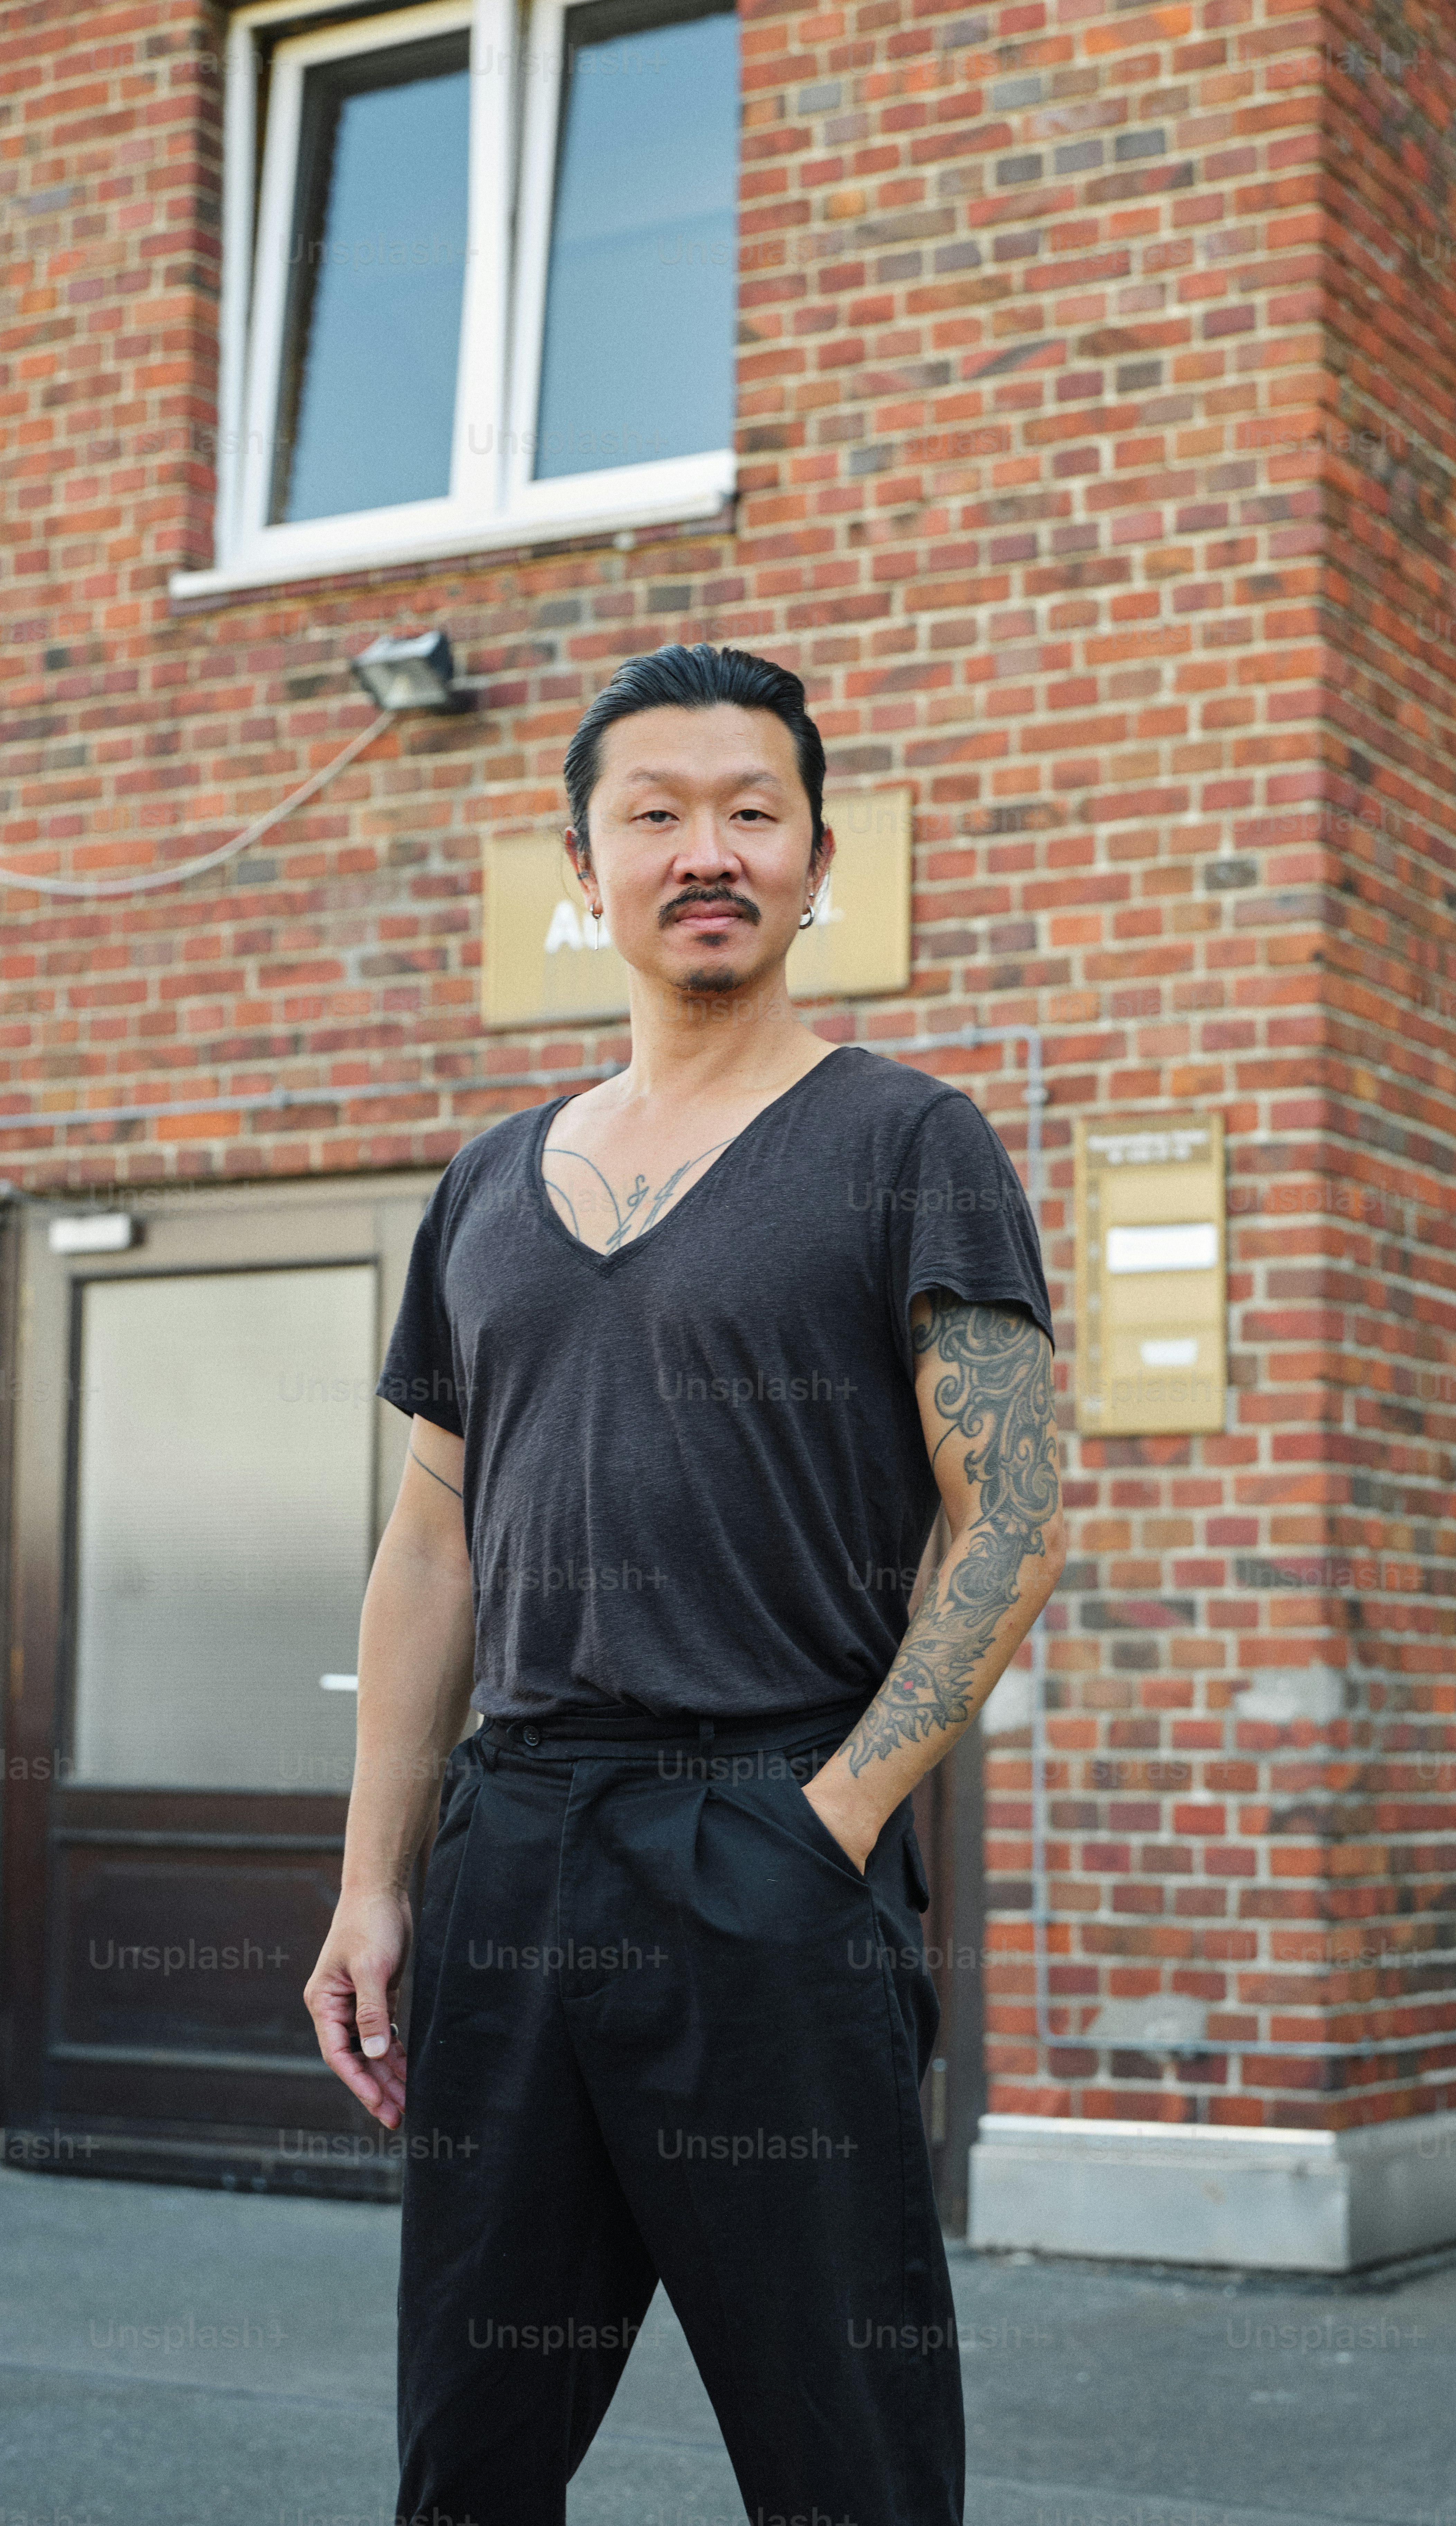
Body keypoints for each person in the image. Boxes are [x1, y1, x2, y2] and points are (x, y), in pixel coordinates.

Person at [303, 642, 1065, 2526]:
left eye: (751, 812)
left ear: (819, 864)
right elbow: (426, 1545)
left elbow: (1015, 1511)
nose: (702, 849)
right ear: (585, 871)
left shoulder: (904, 1145)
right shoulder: (486, 1184)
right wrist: (373, 1883)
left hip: (766, 1845)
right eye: (654, 815)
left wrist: (832, 1820)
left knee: (847, 2468)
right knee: (466, 2464)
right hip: (516, 1854)